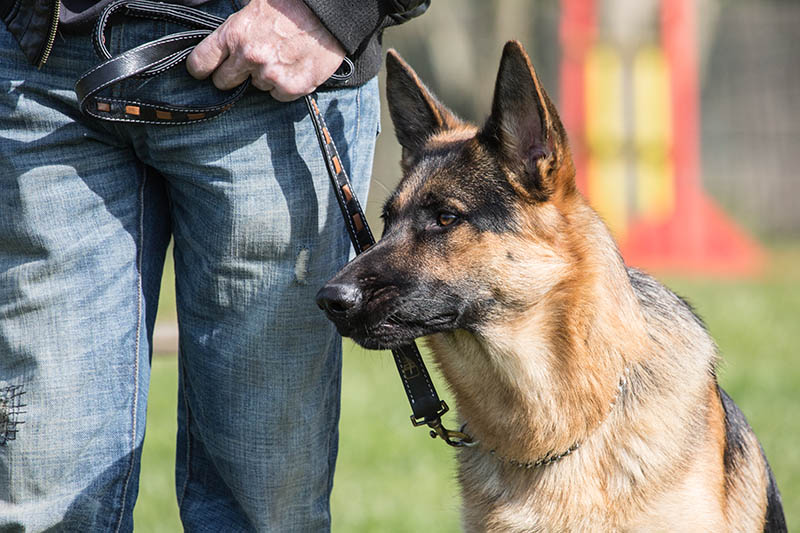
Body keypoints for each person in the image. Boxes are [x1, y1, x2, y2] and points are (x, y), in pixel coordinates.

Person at [0, 0, 427, 530]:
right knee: (41, 504)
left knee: (263, 513)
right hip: (41, 68)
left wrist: (334, 12)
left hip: (271, 70)